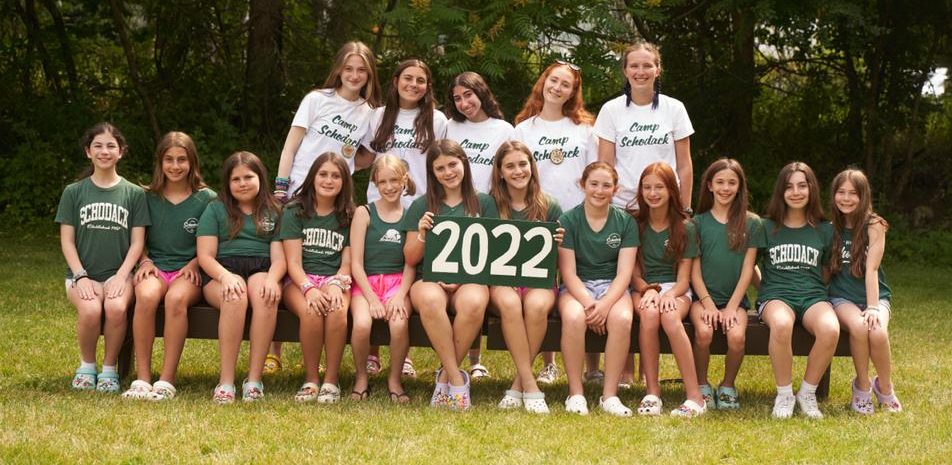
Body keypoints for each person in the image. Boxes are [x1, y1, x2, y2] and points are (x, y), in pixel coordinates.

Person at [269, 40, 380, 372]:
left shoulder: (369, 113)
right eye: (349, 68)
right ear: (339, 69)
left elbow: (369, 153)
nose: (355, 75)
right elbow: (291, 146)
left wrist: (349, 166)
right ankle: (275, 350)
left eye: (362, 70)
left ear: (369, 74)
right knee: (288, 265)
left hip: (335, 192)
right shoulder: (317, 99)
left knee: (328, 256)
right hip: (299, 190)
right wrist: (281, 188)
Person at [513, 60, 598, 384]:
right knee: (542, 285)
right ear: (543, 81)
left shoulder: (584, 129)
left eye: (566, 84)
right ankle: (548, 364)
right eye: (554, 80)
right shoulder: (524, 129)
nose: (558, 87)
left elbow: (594, 175)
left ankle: (593, 367)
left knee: (584, 285)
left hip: (577, 218)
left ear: (573, 92)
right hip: (538, 219)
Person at [403, 139, 498, 411]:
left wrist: (465, 277)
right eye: (440, 168)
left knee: (473, 303)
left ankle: (444, 376)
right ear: (432, 173)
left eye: (453, 164)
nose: (448, 172)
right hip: (429, 277)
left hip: (470, 277)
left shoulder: (484, 203)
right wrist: (422, 233)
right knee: (431, 302)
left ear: (464, 164)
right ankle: (457, 378)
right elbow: (410, 257)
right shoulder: (423, 204)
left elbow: (492, 253)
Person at [56, 122, 149, 393]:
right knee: (91, 309)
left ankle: (109, 370)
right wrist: (81, 276)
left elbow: (137, 243)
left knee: (117, 308)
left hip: (120, 274)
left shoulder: (134, 193)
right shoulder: (73, 192)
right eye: (98, 146)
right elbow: (67, 241)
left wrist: (121, 277)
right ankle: (87, 366)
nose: (104, 151)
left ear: (121, 152)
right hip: (82, 274)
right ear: (88, 151)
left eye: (111, 146)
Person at [123, 132, 216, 401]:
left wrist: (196, 263)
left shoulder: (206, 198)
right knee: (146, 295)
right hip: (156, 266)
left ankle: (166, 379)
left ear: (192, 162)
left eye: (182, 160)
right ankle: (141, 378)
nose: (175, 166)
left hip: (191, 270)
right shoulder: (146, 197)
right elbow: (136, 239)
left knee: (176, 299)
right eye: (169, 159)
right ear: (160, 163)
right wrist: (144, 261)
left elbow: (215, 242)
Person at [196, 152, 285, 404]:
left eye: (249, 177)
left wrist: (272, 279)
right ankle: (225, 381)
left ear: (261, 178)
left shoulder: (275, 211)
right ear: (227, 183)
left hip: (261, 268)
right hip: (221, 271)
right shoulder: (215, 209)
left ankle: (254, 380)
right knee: (234, 296)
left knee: (266, 296)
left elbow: (279, 258)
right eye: (236, 179)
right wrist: (225, 277)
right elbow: (205, 256)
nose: (243, 183)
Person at [444, 71, 513, 378]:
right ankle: (451, 360)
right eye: (457, 98)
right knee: (460, 281)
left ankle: (475, 361)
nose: (464, 103)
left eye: (468, 95)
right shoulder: (450, 127)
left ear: (481, 93)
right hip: (456, 213)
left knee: (478, 281)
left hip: (489, 213)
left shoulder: (503, 129)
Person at [758, 161, 839, 419]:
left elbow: (827, 270)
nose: (796, 192)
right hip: (776, 297)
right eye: (789, 187)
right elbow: (748, 266)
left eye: (802, 186)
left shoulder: (825, 230)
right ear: (781, 192)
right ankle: (784, 394)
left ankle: (806, 393)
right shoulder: (766, 226)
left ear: (811, 189)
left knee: (830, 329)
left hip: (813, 296)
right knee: (781, 324)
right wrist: (765, 288)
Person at [488, 141, 563, 414]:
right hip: (500, 279)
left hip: (538, 280)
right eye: (510, 166)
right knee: (509, 304)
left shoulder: (549, 205)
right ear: (500, 172)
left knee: (536, 306)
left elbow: (557, 257)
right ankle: (531, 385)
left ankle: (518, 383)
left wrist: (559, 242)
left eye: (523, 164)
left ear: (532, 166)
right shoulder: (489, 204)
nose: (518, 170)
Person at [558, 162, 638, 416]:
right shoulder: (568, 219)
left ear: (615, 189)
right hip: (577, 286)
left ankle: (610, 395)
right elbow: (568, 272)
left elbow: (625, 273)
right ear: (583, 185)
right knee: (573, 317)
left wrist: (604, 304)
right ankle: (575, 393)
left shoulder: (625, 222)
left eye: (606, 185)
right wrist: (589, 304)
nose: (599, 190)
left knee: (623, 319)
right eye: (594, 184)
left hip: (611, 286)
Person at [277, 152, 354, 403]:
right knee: (311, 311)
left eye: (336, 175)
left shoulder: (350, 215)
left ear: (344, 181)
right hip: (299, 279)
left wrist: (334, 284)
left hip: (336, 279)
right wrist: (309, 289)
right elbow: (293, 263)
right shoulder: (295, 211)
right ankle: (311, 379)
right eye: (323, 174)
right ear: (312, 177)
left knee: (337, 310)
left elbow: (347, 263)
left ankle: (331, 380)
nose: (328, 180)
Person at [630, 162, 705, 417]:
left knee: (671, 318)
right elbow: (633, 273)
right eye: (647, 187)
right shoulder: (635, 224)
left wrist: (669, 295)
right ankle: (652, 392)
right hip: (642, 288)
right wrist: (648, 290)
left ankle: (695, 397)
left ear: (672, 190)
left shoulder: (686, 227)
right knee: (650, 315)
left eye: (659, 187)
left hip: (676, 289)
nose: (652, 193)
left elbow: (684, 280)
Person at [689, 158, 763, 410]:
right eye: (720, 182)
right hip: (702, 299)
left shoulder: (752, 222)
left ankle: (728, 385)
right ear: (709, 185)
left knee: (736, 337)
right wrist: (708, 304)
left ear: (740, 186)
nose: (725, 188)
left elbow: (747, 269)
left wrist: (731, 307)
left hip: (736, 300)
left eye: (732, 182)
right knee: (704, 333)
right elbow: (694, 271)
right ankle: (701, 384)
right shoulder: (697, 223)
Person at [828, 169, 901, 413]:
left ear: (863, 196)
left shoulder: (875, 225)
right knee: (860, 327)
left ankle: (885, 387)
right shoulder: (831, 227)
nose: (846, 198)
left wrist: (872, 307)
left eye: (853, 193)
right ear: (834, 195)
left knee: (877, 331)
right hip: (841, 297)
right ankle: (861, 385)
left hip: (875, 296)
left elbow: (872, 269)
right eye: (841, 192)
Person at [595, 41, 693, 211]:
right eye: (634, 66)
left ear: (657, 70)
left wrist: (685, 209)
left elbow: (684, 165)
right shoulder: (610, 110)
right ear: (625, 71)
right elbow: (605, 167)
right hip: (624, 207)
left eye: (647, 66)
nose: (640, 72)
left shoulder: (675, 108)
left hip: (666, 207)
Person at [350, 155, 416, 404]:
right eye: (383, 182)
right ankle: (360, 377)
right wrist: (371, 298)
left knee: (399, 324)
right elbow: (355, 263)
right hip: (365, 283)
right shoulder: (364, 213)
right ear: (375, 183)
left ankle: (394, 379)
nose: (389, 187)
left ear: (404, 180)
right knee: (362, 325)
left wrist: (400, 295)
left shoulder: (411, 214)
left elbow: (411, 261)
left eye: (394, 180)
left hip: (398, 282)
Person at [363, 58, 447, 205]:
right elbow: (366, 158)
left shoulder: (437, 120)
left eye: (420, 80)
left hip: (421, 204)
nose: (413, 84)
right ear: (396, 82)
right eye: (408, 78)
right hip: (380, 201)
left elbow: (443, 163)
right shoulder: (378, 115)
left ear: (427, 87)